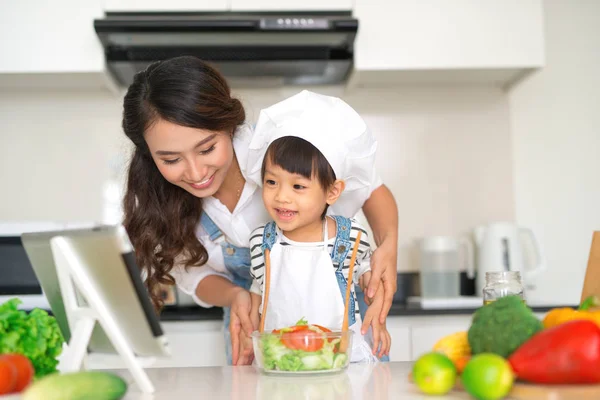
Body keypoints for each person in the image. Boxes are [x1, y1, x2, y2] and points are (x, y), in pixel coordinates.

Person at [120, 56, 399, 365]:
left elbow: (371, 189)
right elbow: (193, 274)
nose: (196, 171)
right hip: (255, 326)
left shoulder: (277, 147)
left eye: (207, 148)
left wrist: (389, 246)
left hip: (340, 324)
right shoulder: (162, 201)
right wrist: (234, 295)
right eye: (171, 160)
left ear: (227, 124)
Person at [240, 94, 392, 362]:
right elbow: (260, 289)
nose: (281, 196)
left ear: (332, 192)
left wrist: (378, 314)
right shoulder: (260, 241)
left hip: (342, 362)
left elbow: (371, 281)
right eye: (272, 182)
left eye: (298, 186)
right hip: (282, 361)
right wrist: (249, 336)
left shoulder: (351, 238)